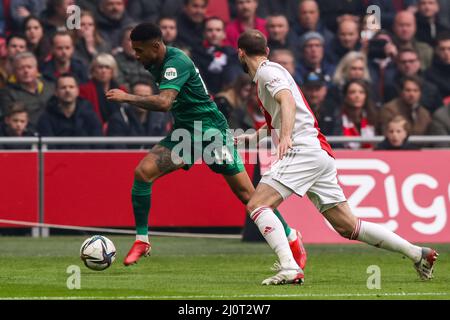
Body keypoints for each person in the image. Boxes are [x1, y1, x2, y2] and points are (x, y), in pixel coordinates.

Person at [236, 29, 437, 285]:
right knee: (348, 226)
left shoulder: (266, 72)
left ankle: (289, 267)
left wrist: (285, 136)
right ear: (266, 50)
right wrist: (254, 138)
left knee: (257, 205)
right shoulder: (272, 71)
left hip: (303, 150)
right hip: (318, 153)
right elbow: (283, 110)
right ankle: (417, 253)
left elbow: (286, 101)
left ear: (240, 53)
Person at [105, 22, 306, 272]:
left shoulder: (176, 62)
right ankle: (142, 240)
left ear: (156, 46)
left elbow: (165, 102)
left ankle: (291, 237)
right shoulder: (156, 61)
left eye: (139, 50)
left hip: (212, 133)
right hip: (185, 135)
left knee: (249, 197)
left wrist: (127, 97)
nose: (136, 55)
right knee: (143, 173)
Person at [37, 73, 103, 149]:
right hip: (58, 160)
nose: (67, 90)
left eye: (71, 87)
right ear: (56, 92)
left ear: (77, 91)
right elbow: (48, 147)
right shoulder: (46, 118)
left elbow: (98, 146)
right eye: (63, 87)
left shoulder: (90, 116)